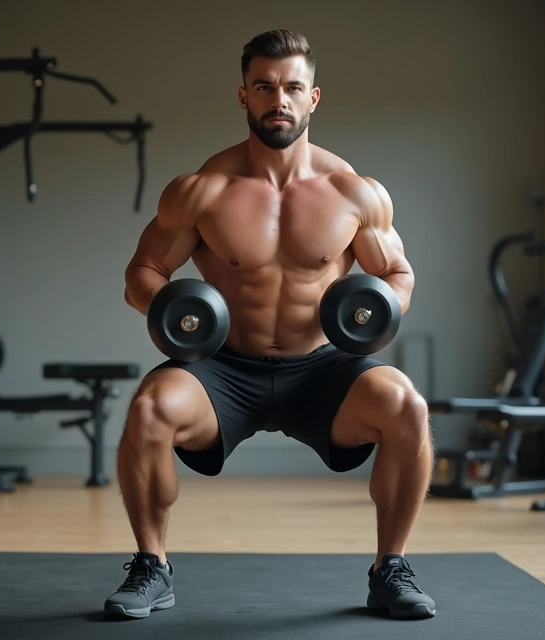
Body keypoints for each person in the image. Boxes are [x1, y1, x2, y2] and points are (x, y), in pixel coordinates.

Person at [108, 29, 436, 621]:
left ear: (313, 98)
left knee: (407, 407)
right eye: (264, 87)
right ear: (243, 96)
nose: (277, 99)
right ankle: (151, 567)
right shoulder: (202, 191)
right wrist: (168, 309)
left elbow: (399, 275)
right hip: (222, 368)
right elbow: (143, 271)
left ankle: (391, 568)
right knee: (149, 410)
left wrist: (377, 306)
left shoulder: (354, 193)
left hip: (323, 368)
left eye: (291, 87)